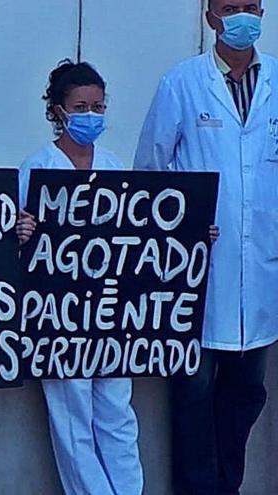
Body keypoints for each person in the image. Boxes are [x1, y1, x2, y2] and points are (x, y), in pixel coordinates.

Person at [134, 1, 277, 493]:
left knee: (247, 394)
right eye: (230, 7)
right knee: (192, 398)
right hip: (197, 270)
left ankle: (225, 486)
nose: (242, 16)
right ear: (210, 17)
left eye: (251, 6)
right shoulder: (183, 82)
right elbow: (150, 175)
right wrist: (183, 224)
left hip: (260, 269)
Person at [15, 60, 146, 495]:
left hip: (111, 309)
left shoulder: (114, 165)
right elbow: (17, 240)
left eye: (98, 106)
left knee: (117, 411)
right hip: (59, 311)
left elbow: (144, 231)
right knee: (73, 416)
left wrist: (190, 232)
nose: (91, 114)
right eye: (80, 106)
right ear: (58, 110)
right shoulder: (37, 167)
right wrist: (21, 230)